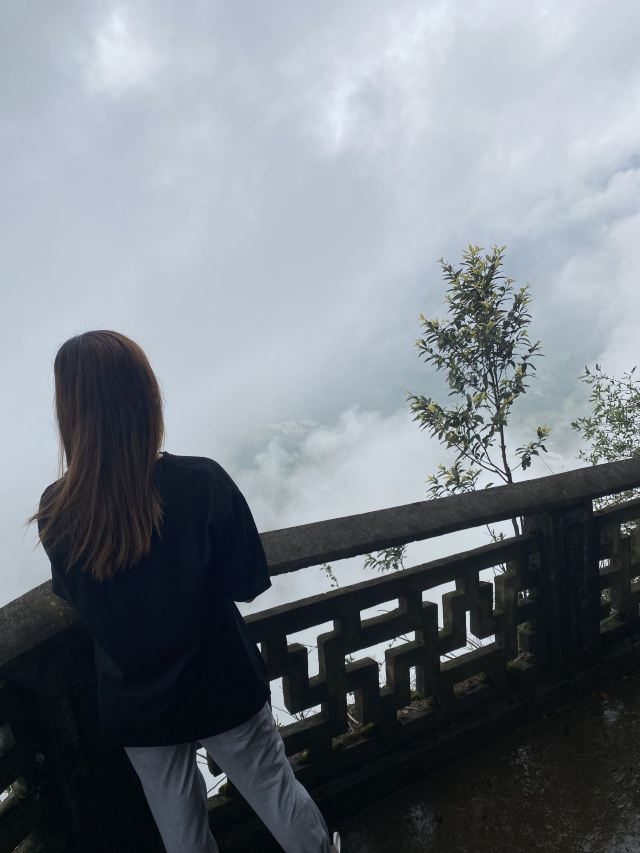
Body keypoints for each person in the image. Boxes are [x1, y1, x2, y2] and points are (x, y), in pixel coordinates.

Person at [29, 330, 341, 853]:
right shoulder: (201, 483)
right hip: (222, 684)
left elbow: (75, 595)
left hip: (136, 703)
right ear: (144, 396)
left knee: (181, 833)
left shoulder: (56, 511)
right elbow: (247, 582)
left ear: (69, 411)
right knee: (277, 795)